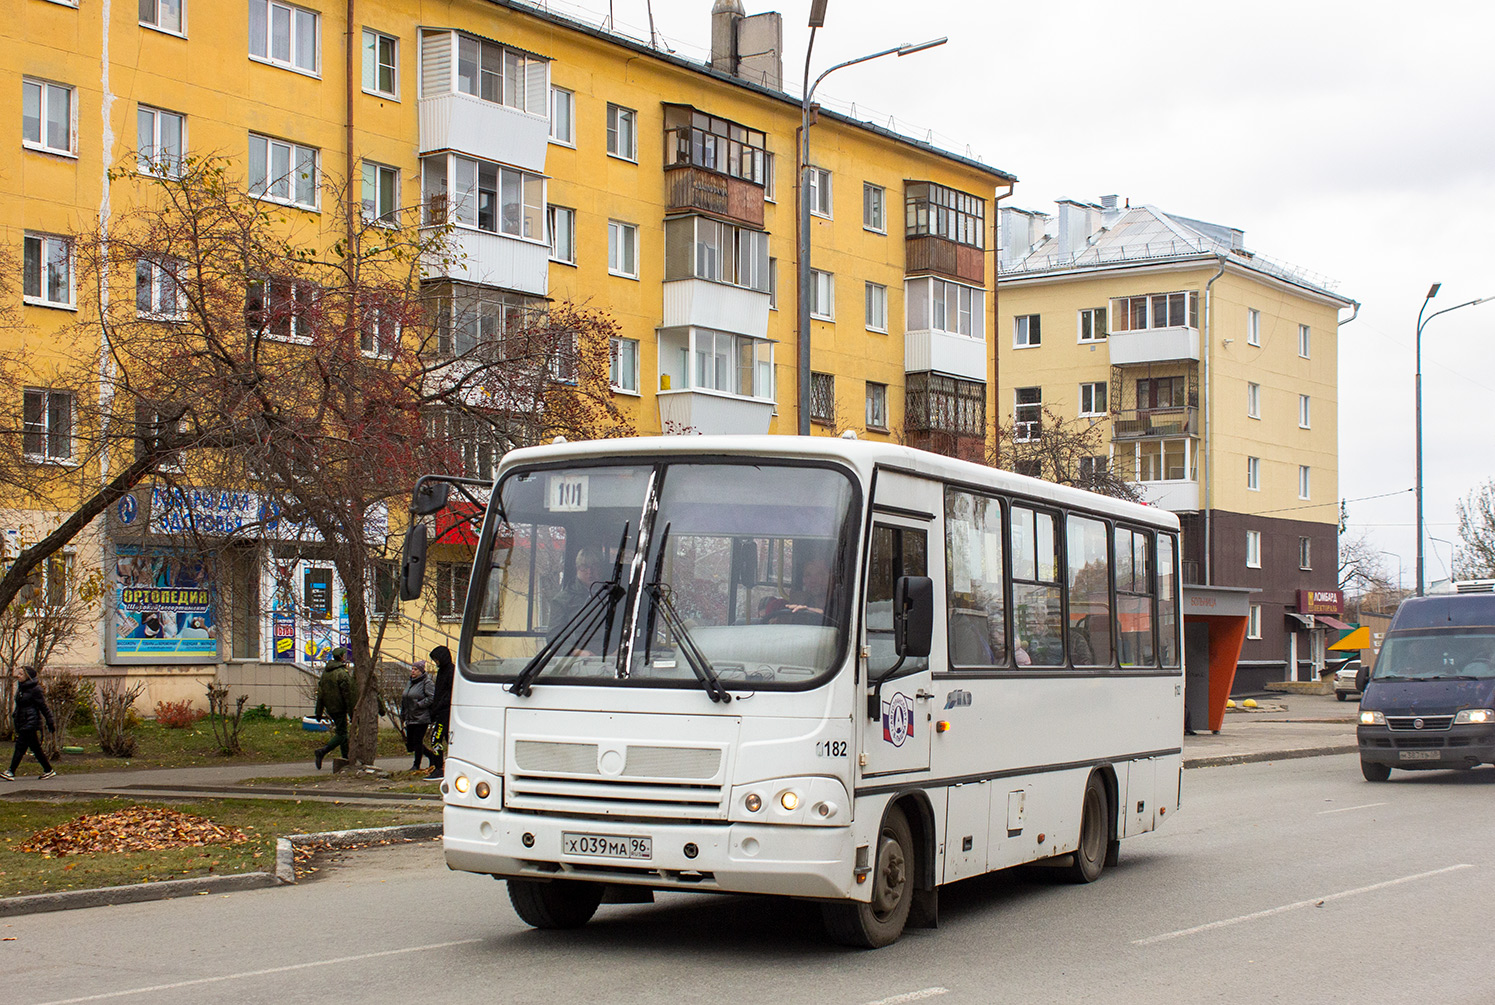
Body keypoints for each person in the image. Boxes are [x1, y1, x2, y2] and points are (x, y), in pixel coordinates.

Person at [3, 667, 57, 780]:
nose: (18, 676)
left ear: (28, 676)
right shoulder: (22, 688)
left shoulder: (35, 690)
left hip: (30, 722)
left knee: (20, 746)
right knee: (35, 748)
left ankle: (11, 771)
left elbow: (43, 707)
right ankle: (48, 770)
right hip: (22, 721)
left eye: (21, 674)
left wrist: (50, 721)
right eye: (18, 673)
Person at [313, 647, 355, 770]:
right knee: (342, 733)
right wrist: (352, 713)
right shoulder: (342, 673)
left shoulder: (326, 673)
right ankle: (322, 751)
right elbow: (347, 695)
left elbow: (320, 693)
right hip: (340, 707)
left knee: (343, 732)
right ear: (342, 657)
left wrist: (319, 711)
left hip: (330, 707)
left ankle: (345, 758)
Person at [401, 660, 438, 772]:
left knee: (417, 741)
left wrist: (419, 704)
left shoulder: (427, 683)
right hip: (410, 716)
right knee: (411, 743)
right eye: (412, 669)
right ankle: (431, 756)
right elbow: (405, 697)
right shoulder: (410, 682)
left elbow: (432, 697)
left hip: (421, 717)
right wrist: (403, 713)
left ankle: (416, 765)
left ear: (421, 671)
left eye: (415, 669)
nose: (413, 671)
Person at [426, 644, 455, 780]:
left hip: (446, 712)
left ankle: (439, 768)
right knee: (445, 739)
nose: (435, 662)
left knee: (435, 739)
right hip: (440, 711)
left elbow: (448, 693)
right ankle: (444, 767)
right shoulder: (442, 672)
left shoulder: (451, 671)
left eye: (437, 659)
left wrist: (438, 706)